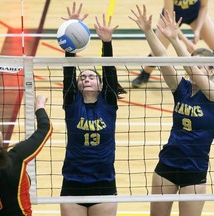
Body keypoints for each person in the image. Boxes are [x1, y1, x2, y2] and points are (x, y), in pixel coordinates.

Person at [129, 5, 214, 216]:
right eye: (193, 63)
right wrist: (147, 31)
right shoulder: (181, 88)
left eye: (200, 66)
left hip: (195, 173)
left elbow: (189, 68)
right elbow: (162, 58)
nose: (194, 69)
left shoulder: (213, 94)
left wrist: (174, 39)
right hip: (166, 168)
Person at [60, 2, 126, 216]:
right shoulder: (72, 102)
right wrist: (71, 30)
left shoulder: (108, 102)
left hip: (104, 183)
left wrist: (107, 43)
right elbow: (68, 72)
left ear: (100, 85)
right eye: (83, 77)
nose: (86, 78)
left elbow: (110, 72)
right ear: (78, 85)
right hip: (72, 183)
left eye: (92, 76)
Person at [131, 0, 214, 88]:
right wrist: (186, 42)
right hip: (171, 18)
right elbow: (170, 22)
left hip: (195, 15)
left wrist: (198, 30)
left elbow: (204, 7)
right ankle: (145, 73)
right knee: (156, 51)